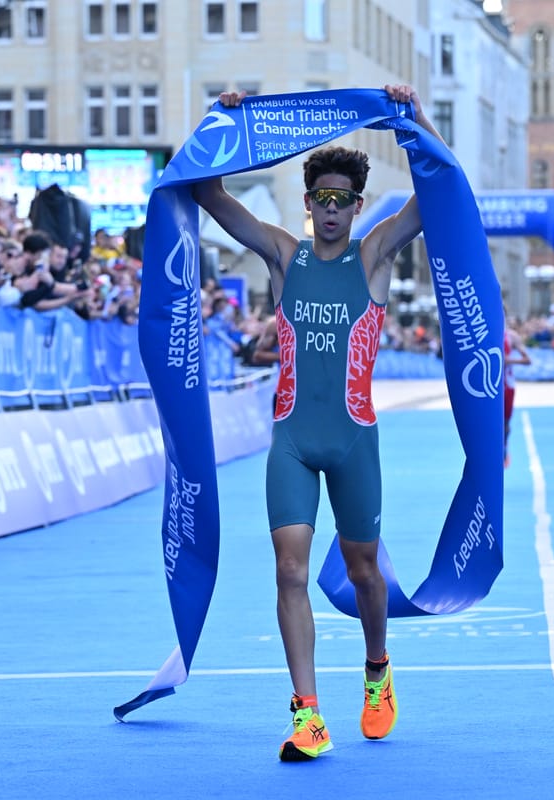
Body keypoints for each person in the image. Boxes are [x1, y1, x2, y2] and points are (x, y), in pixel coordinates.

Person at [190, 84, 442, 761]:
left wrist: (412, 117)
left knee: (366, 575)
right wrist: (222, 117)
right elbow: (211, 196)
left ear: (358, 207)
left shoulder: (376, 255)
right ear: (308, 204)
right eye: (321, 200)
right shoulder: (282, 255)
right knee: (290, 572)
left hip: (355, 440)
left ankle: (377, 670)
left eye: (343, 202)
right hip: (294, 443)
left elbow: (438, 188)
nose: (331, 211)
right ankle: (307, 715)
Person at [503, 317, 532, 467]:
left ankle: (504, 447)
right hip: (488, 385)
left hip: (507, 385)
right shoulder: (483, 334)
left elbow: (528, 360)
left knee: (505, 422)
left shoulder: (511, 336)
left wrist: (508, 360)